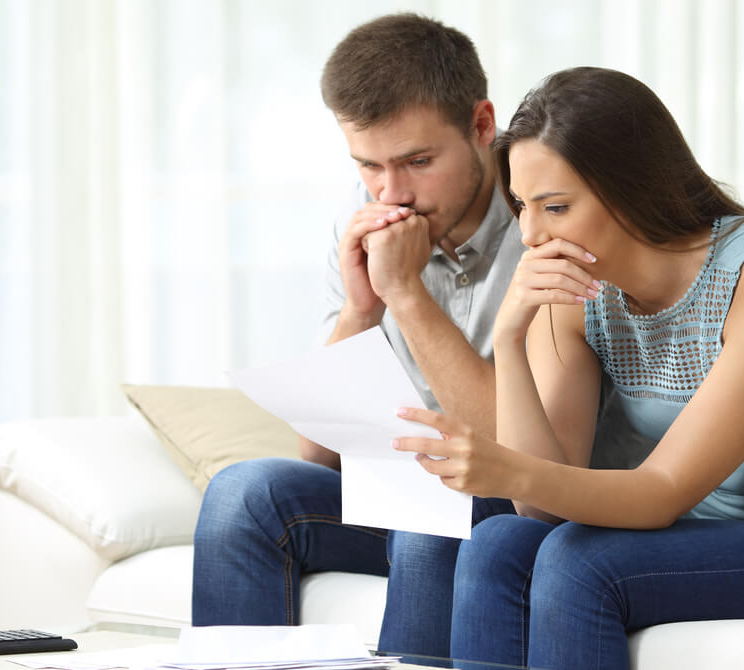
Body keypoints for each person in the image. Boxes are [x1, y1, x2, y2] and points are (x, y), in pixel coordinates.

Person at [389, 67, 744, 670]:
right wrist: (511, 337)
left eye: (557, 207)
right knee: (494, 540)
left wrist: (506, 467)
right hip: (704, 529)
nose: (531, 233)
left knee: (579, 561)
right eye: (521, 205)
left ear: (632, 188)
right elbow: (543, 506)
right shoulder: (575, 288)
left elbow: (660, 494)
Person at [191, 13, 523, 657]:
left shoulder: (543, 209)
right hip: (397, 496)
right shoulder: (360, 214)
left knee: (435, 507)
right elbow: (316, 457)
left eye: (418, 161)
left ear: (482, 126)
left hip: (504, 497)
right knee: (243, 495)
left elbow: (514, 451)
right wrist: (362, 310)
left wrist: (406, 293)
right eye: (368, 165)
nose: (392, 192)